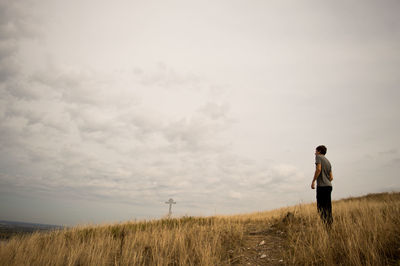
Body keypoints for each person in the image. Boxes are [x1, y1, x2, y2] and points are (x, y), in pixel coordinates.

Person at [311, 145, 333, 226]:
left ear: (319, 151)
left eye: (316, 151)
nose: (315, 152)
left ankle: (324, 224)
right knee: (328, 207)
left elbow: (318, 169)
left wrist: (313, 181)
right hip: (329, 186)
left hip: (322, 187)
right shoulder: (328, 161)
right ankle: (329, 225)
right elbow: (331, 177)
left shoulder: (318, 157)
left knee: (321, 207)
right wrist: (326, 180)